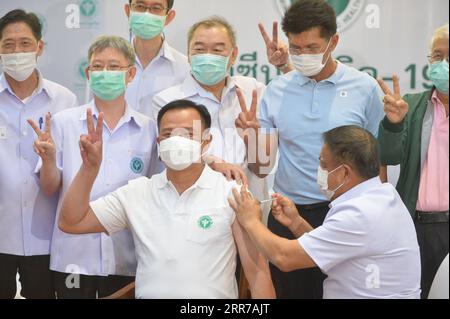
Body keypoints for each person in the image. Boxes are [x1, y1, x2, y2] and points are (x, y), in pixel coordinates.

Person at [235, 0, 385, 299]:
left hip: (345, 215)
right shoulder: (276, 90)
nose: (303, 56)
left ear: (334, 42)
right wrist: (251, 139)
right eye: (296, 49)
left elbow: (375, 161)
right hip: (287, 212)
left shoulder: (364, 87)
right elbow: (261, 167)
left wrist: (377, 213)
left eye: (312, 48)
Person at [57, 100, 276, 299]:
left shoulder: (231, 193)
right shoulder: (138, 192)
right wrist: (89, 169)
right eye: (169, 133)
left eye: (188, 134)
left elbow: (257, 273)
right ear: (159, 141)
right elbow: (72, 222)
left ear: (206, 141)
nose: (178, 141)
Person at [29, 36, 162, 299]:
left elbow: (157, 193)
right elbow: (49, 188)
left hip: (128, 256)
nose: (105, 73)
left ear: (131, 73)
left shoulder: (148, 129)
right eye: (98, 67)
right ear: (88, 73)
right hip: (74, 255)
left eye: (114, 67)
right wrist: (47, 161)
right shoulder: (63, 123)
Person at [229, 126, 421, 299]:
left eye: (323, 165)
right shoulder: (383, 195)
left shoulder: (359, 214)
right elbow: (330, 249)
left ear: (345, 172)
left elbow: (283, 257)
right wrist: (296, 223)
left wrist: (251, 220)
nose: (320, 171)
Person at [0, 9, 78, 299]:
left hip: (47, 238)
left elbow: (69, 170)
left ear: (40, 47)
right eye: (8, 45)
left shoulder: (65, 100)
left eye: (24, 43)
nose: (16, 51)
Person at [378, 24, 449, 299]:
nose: (444, 64)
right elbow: (388, 157)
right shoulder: (411, 105)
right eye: (438, 55)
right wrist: (394, 124)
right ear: (428, 60)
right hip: (415, 227)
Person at [152, 17, 264, 189]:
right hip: (198, 206)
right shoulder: (168, 101)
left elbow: (263, 169)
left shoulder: (254, 91)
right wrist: (212, 162)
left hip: (249, 202)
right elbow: (171, 156)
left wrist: (253, 140)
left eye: (217, 50)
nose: (208, 57)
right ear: (188, 55)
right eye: (199, 49)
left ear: (233, 55)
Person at [124, 0, 190, 116]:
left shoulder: (185, 68)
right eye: (140, 6)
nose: (147, 14)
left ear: (169, 17)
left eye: (156, 8)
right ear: (128, 11)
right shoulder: (109, 65)